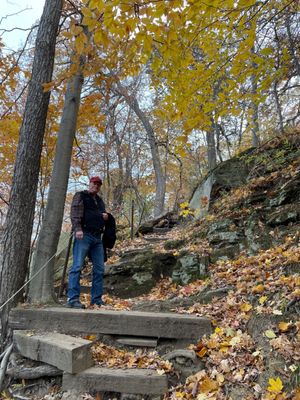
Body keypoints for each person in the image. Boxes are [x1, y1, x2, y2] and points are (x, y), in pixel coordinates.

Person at [67, 176, 108, 309]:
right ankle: (73, 299)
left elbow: (101, 215)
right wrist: (77, 229)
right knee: (77, 266)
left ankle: (96, 300)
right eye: (94, 183)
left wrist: (106, 217)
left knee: (99, 269)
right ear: (89, 183)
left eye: (98, 185)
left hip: (97, 237)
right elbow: (75, 213)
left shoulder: (100, 201)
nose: (96, 186)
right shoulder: (81, 195)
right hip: (84, 234)